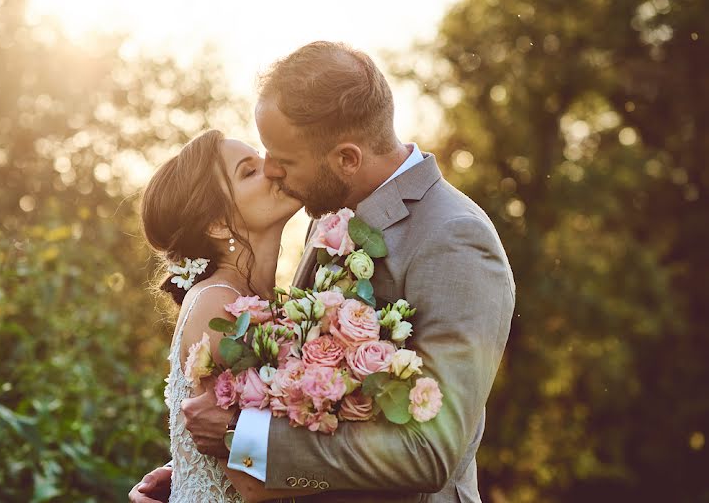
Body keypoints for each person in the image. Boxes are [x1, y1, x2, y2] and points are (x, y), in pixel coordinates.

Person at [132, 41, 515, 503]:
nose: (273, 170)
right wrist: (195, 468)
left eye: (283, 160)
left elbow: (429, 452)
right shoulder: (324, 212)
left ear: (347, 159)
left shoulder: (454, 240)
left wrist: (242, 440)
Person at [137, 129, 323, 502]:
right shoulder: (219, 308)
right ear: (218, 225)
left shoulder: (261, 301)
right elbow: (256, 485)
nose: (272, 168)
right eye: (249, 171)